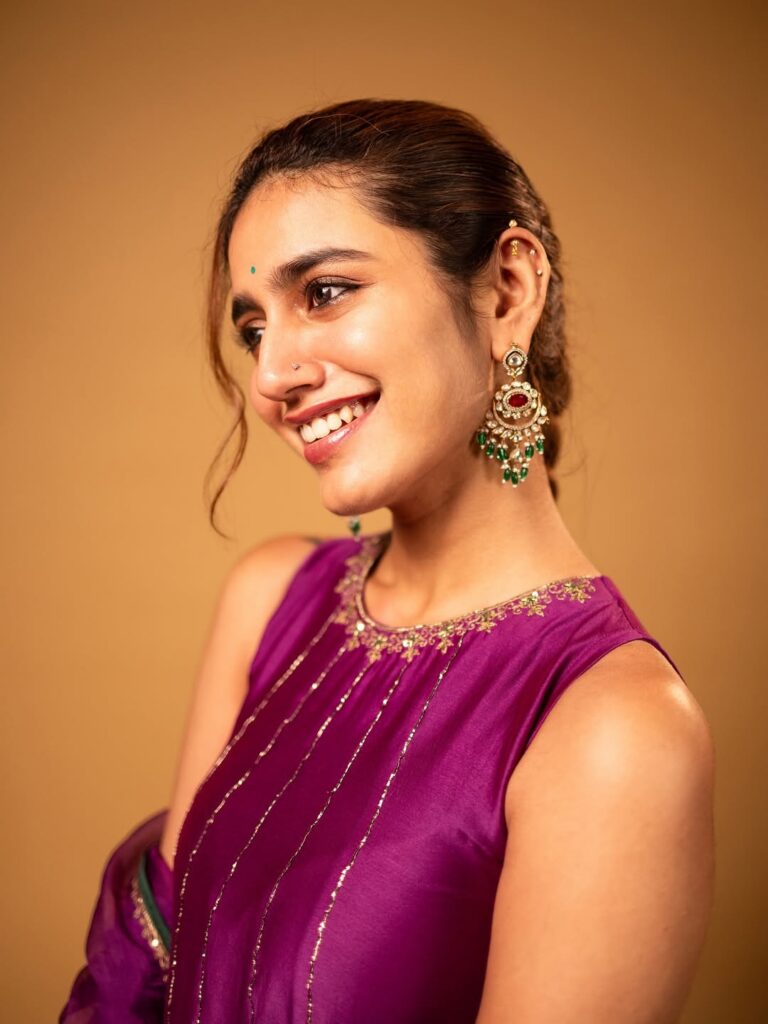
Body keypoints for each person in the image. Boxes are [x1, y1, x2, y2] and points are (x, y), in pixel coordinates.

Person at [60, 98, 715, 1024]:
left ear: (508, 290)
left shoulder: (614, 727)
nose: (272, 377)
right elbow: (142, 985)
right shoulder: (271, 599)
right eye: (254, 330)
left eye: (325, 292)